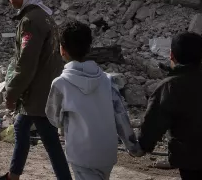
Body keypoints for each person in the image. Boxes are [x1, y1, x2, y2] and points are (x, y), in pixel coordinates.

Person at [0, 0, 71, 180]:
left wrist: (12, 92)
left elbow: (27, 62)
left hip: (37, 92)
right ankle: (13, 175)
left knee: (50, 140)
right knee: (21, 128)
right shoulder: (42, 15)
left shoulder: (30, 21)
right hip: (43, 88)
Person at [46, 21, 140, 180]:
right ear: (89, 47)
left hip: (81, 155)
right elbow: (120, 116)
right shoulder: (107, 81)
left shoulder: (60, 84)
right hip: (107, 155)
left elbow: (55, 119)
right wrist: (133, 147)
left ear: (62, 49)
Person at [138, 32, 202, 180]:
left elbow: (154, 121)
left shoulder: (170, 86)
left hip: (192, 159)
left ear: (171, 56)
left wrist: (143, 146)